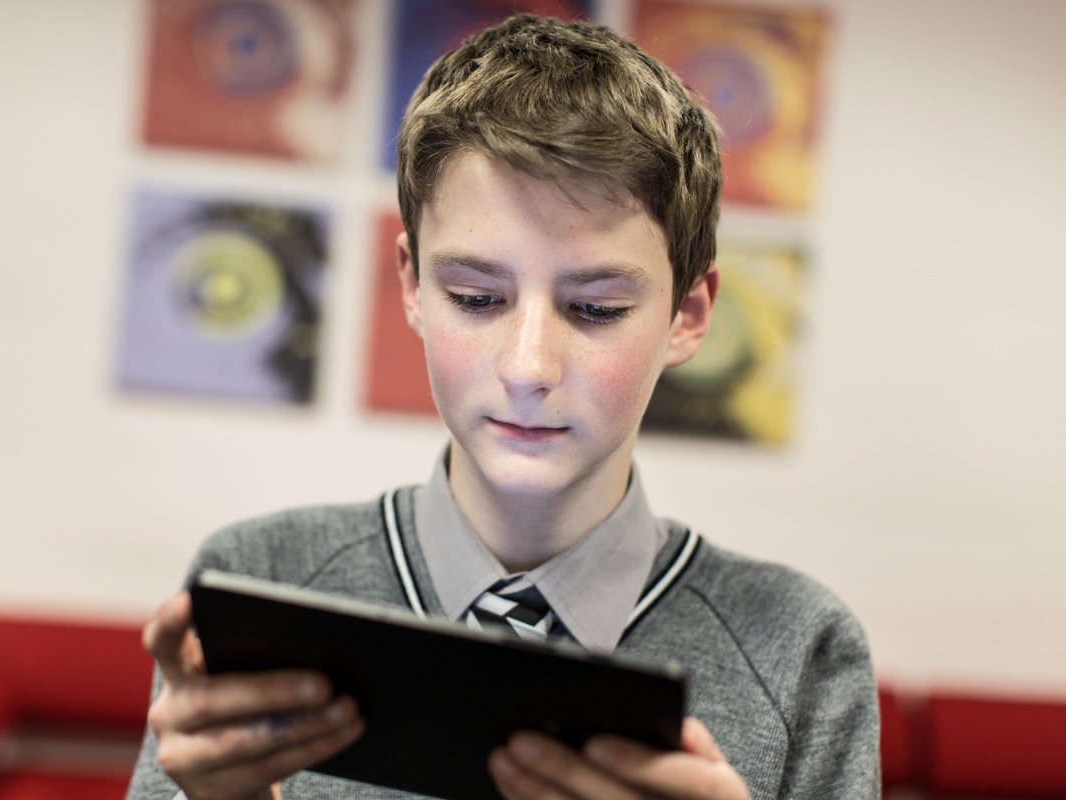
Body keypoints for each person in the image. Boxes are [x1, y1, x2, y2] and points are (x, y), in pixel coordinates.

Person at [128, 13, 879, 800]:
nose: (528, 368)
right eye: (477, 297)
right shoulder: (259, 581)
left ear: (688, 316)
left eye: (595, 309)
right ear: (415, 287)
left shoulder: (801, 650)